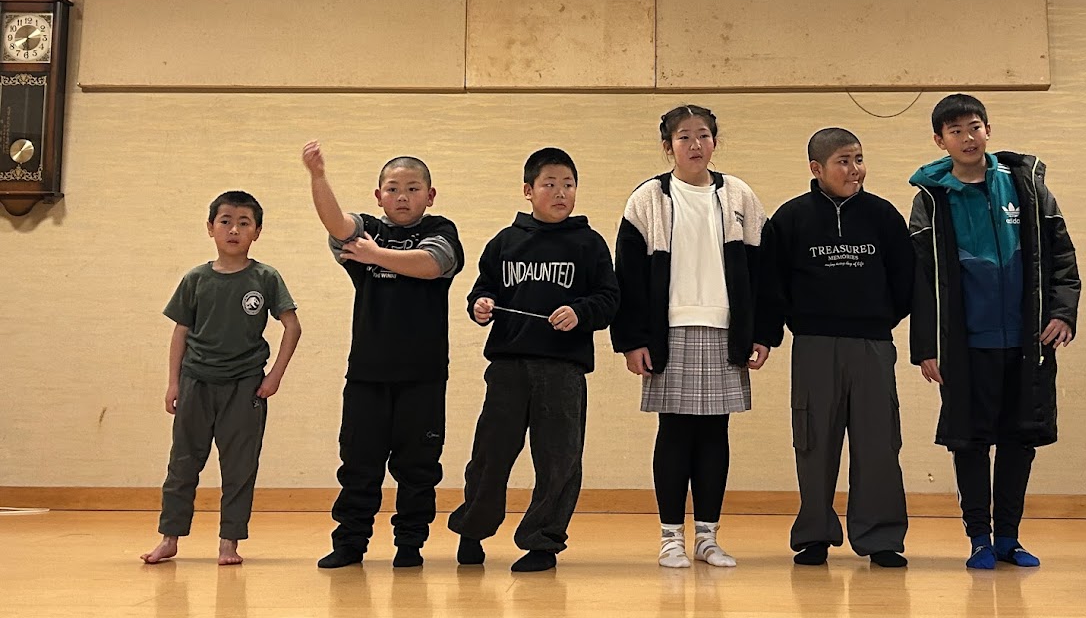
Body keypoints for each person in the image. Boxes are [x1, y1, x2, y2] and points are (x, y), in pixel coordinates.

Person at [908, 94, 1080, 569]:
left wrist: (1063, 312)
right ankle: (979, 539)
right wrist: (926, 346)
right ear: (940, 140)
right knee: (969, 442)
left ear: (988, 130)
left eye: (975, 127)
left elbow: (1062, 255)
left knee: (1019, 440)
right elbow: (921, 281)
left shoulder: (1026, 186)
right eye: (956, 131)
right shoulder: (930, 200)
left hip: (1027, 343)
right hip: (965, 347)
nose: (968, 138)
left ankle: (1008, 537)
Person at [611, 104, 772, 569]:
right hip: (669, 331)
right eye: (684, 137)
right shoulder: (647, 198)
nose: (695, 144)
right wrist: (632, 340)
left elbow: (762, 272)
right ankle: (670, 539)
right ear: (668, 147)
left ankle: (707, 537)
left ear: (715, 142)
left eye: (703, 135)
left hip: (725, 330)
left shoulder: (739, 195)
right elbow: (628, 276)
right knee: (674, 432)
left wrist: (761, 332)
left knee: (716, 433)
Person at [448, 147, 619, 572]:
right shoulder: (505, 242)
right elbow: (482, 290)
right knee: (490, 455)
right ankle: (473, 529)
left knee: (560, 460)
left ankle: (542, 542)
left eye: (569, 185)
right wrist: (480, 305)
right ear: (528, 190)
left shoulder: (590, 244)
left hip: (563, 369)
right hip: (508, 368)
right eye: (550, 184)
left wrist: (580, 312)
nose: (561, 193)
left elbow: (609, 299)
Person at [302, 141, 464, 569]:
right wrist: (318, 176)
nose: (402, 196)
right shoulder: (368, 226)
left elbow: (431, 264)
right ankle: (350, 543)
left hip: (423, 374)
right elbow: (338, 224)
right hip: (367, 374)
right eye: (393, 189)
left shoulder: (441, 229)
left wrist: (373, 254)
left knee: (418, 467)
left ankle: (410, 545)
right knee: (358, 463)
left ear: (430, 195)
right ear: (379, 196)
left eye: (412, 188)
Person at [759, 128, 914, 568]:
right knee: (814, 443)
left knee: (879, 443)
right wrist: (767, 335)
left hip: (872, 345)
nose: (855, 169)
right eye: (843, 161)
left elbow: (906, 280)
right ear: (817, 168)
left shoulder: (883, 216)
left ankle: (880, 537)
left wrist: (879, 320)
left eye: (859, 159)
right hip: (814, 344)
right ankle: (814, 534)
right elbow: (771, 285)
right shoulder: (791, 218)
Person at [141, 191, 301, 566]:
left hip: (245, 386)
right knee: (183, 463)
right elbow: (180, 332)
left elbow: (292, 327)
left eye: (244, 223)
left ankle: (229, 542)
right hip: (196, 382)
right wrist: (173, 382)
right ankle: (169, 537)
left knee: (239, 467)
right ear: (210, 227)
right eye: (225, 221)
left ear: (257, 231)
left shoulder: (265, 277)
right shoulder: (196, 279)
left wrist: (275, 376)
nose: (234, 230)